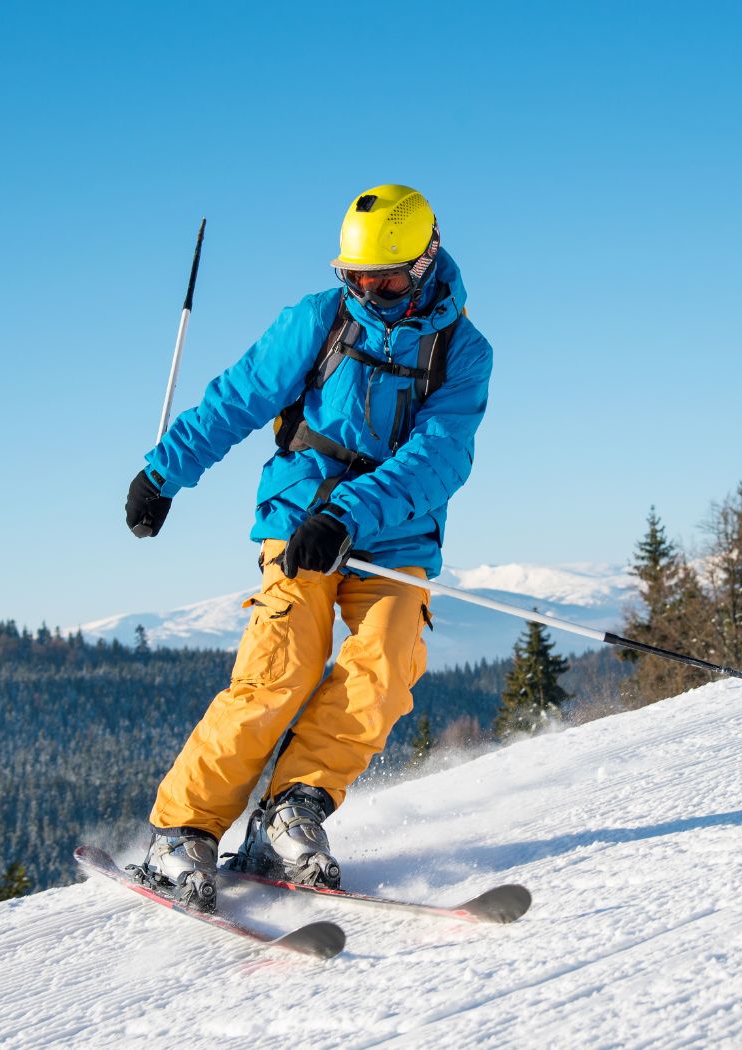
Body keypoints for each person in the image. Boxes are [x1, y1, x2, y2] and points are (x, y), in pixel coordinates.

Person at [124, 184, 493, 910]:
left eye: (385, 279)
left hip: (394, 530)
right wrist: (164, 472)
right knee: (280, 665)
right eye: (356, 278)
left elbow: (443, 456)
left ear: (425, 262)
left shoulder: (463, 351)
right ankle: (182, 830)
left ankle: (290, 813)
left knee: (387, 663)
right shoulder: (318, 321)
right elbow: (238, 397)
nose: (370, 292)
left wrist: (352, 511)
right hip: (298, 517)